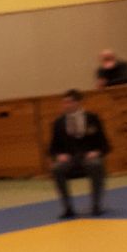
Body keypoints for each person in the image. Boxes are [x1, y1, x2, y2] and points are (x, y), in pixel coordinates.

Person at [49, 89, 111, 219]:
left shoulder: (93, 119)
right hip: (70, 158)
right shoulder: (58, 123)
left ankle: (96, 205)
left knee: (96, 165)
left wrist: (96, 152)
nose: (66, 105)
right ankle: (68, 208)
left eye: (69, 102)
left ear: (78, 102)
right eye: (64, 102)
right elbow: (52, 148)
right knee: (57, 169)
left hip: (88, 156)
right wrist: (59, 155)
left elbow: (105, 144)